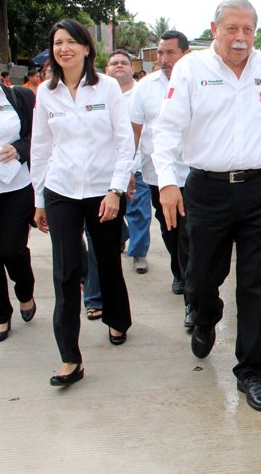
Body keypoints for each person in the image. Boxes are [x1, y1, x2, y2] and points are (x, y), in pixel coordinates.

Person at [152, 0, 261, 413]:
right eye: (232, 29)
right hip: (206, 189)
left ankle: (250, 371)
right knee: (201, 276)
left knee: (256, 282)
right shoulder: (191, 69)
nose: (241, 38)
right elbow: (166, 130)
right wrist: (168, 182)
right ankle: (206, 316)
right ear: (215, 28)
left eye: (248, 29)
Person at [31, 19, 135, 386]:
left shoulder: (106, 88)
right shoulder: (46, 92)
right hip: (61, 190)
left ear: (87, 48)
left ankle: (117, 320)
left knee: (107, 260)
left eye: (72, 42)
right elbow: (41, 147)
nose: (65, 49)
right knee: (65, 271)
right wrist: (39, 197)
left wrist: (115, 190)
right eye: (58, 43)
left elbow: (125, 142)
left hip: (102, 189)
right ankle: (70, 358)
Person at [129, 30, 193, 327]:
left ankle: (192, 298)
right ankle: (180, 272)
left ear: (185, 54)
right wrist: (129, 170)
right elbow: (135, 132)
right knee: (170, 230)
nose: (164, 59)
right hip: (158, 175)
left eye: (171, 53)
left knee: (188, 234)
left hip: (194, 174)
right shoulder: (145, 88)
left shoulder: (197, 82)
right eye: (161, 53)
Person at [0, 40, 37, 342]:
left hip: (15, 185)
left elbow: (37, 138)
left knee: (11, 249)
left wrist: (18, 149)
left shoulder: (18, 97)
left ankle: (25, 290)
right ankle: (0, 314)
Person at [106, 49, 151, 273]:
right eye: (114, 63)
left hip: (138, 164)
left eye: (124, 63)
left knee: (140, 211)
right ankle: (122, 234)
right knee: (112, 212)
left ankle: (139, 252)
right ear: (106, 69)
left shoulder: (140, 93)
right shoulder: (99, 94)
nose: (119, 66)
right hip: (107, 168)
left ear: (132, 69)